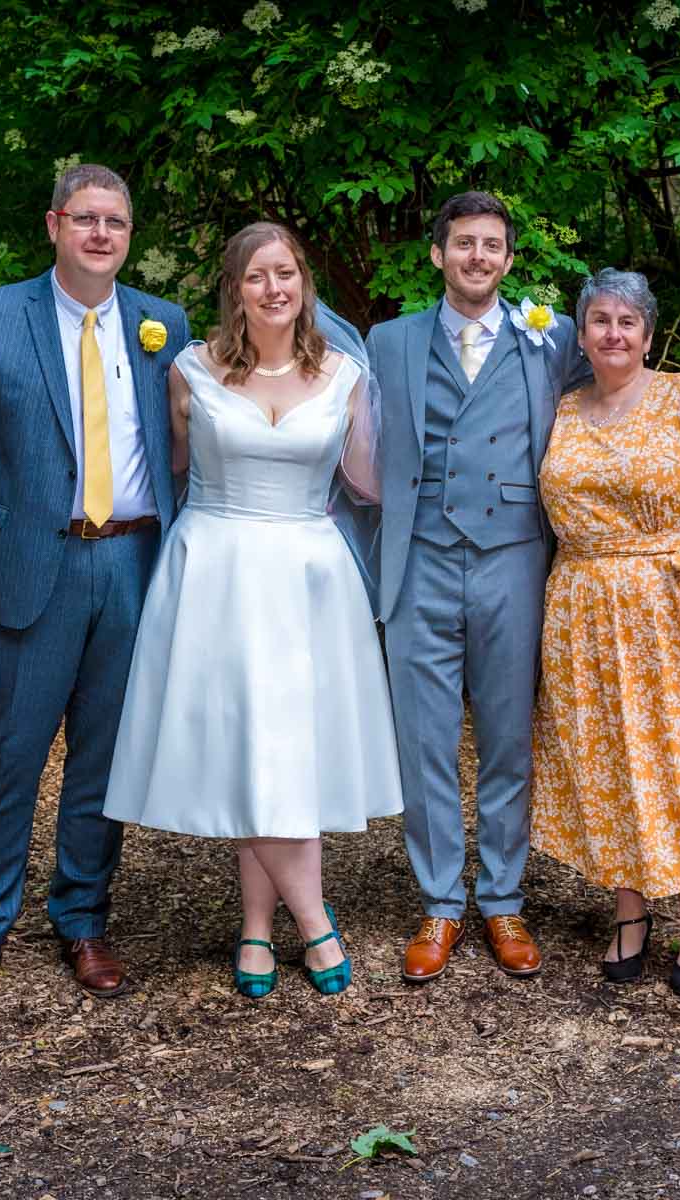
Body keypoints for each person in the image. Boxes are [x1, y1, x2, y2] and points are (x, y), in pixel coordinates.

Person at [0, 163, 189, 1014]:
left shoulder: (162, 324)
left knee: (103, 762)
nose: (101, 234)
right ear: (54, 224)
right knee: (9, 758)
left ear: (130, 235)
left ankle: (82, 919)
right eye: (86, 220)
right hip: (33, 567)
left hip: (134, 566)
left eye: (117, 222)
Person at [102, 221, 401, 997]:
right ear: (235, 288)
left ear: (304, 284)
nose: (275, 289)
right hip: (218, 571)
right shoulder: (190, 372)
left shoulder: (344, 375)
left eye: (288, 274)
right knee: (244, 742)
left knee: (286, 750)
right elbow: (169, 470)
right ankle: (312, 922)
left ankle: (257, 929)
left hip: (309, 577)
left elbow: (368, 484)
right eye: (258, 276)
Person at [365, 191, 588, 983]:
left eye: (492, 245)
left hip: (514, 558)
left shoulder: (552, 337)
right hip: (419, 555)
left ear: (510, 259)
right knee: (423, 738)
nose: (478, 257)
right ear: (438, 255)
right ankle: (438, 902)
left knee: (507, 736)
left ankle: (501, 900)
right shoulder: (387, 341)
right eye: (464, 243)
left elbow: (615, 392)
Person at [529, 268, 680, 996]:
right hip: (584, 610)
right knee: (604, 757)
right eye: (600, 320)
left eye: (628, 322)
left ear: (649, 335)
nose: (614, 333)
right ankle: (627, 907)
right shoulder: (562, 408)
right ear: (582, 333)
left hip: (674, 608)